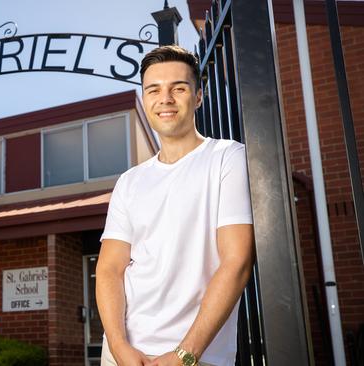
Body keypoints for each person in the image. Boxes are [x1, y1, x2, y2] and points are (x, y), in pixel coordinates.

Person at [96, 45, 255, 366]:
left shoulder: (227, 158)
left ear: (197, 97)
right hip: (124, 353)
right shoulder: (130, 181)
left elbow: (237, 261)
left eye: (178, 88)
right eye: (153, 89)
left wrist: (186, 353)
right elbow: (109, 268)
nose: (165, 98)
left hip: (196, 355)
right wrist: (117, 345)